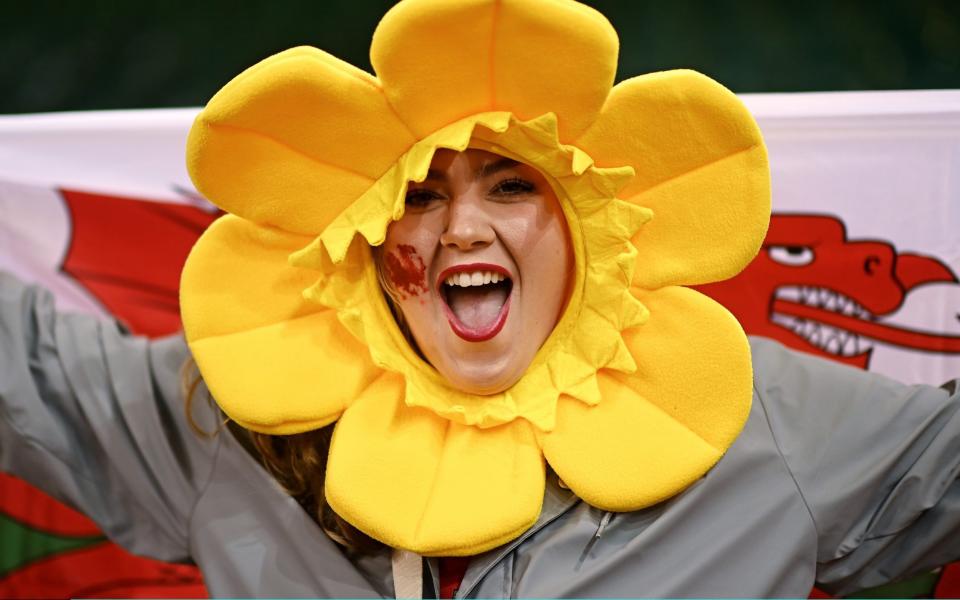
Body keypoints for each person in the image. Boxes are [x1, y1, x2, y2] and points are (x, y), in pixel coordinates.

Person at [2, 0, 959, 597]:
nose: (459, 230)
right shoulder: (235, 418)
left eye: (510, 186)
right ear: (368, 238)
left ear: (588, 224)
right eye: (418, 195)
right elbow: (24, 365)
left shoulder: (757, 423)